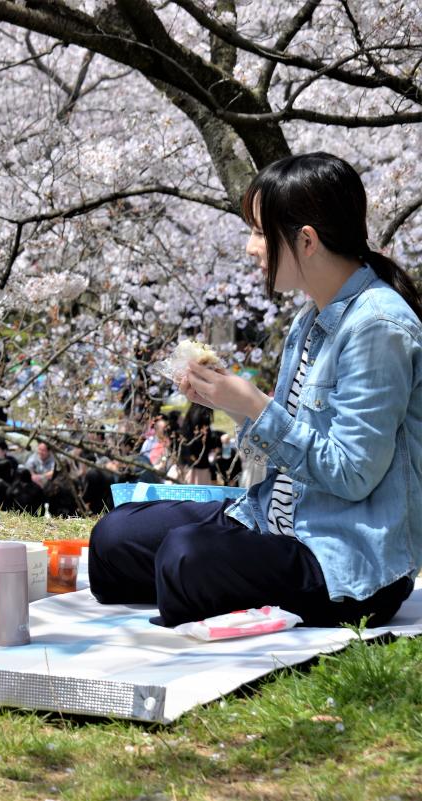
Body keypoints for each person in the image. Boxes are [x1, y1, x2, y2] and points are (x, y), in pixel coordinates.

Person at [90, 152, 422, 629]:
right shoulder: (311, 318)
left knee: (185, 557)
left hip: (345, 562)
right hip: (271, 519)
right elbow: (297, 441)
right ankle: (197, 581)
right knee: (114, 537)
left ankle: (196, 582)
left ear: (306, 240)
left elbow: (353, 473)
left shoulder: (378, 327)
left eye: (260, 232)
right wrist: (231, 402)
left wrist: (253, 406)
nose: (251, 247)